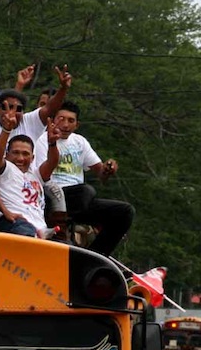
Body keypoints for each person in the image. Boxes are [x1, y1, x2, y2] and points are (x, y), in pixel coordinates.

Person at [36, 101, 134, 255]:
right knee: (86, 191)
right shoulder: (42, 140)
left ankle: (97, 255)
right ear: (53, 120)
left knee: (125, 211)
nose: (65, 125)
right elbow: (42, 176)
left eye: (71, 120)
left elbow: (101, 173)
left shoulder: (79, 141)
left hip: (80, 200)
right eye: (61, 119)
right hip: (53, 196)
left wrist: (108, 169)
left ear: (77, 125)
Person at [0, 110, 61, 238]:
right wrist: (6, 130)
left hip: (39, 229)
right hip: (10, 222)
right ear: (7, 155)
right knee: (25, 230)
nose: (20, 158)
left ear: (32, 158)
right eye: (15, 152)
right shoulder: (5, 170)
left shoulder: (36, 175)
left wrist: (52, 143)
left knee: (65, 245)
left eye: (25, 154)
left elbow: (52, 162)